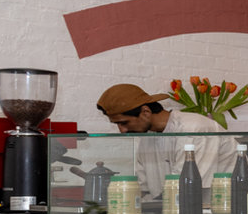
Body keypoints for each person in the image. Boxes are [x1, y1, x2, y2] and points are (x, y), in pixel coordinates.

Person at [96, 83, 237, 202]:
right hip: (177, 212)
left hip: (224, 209)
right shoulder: (145, 138)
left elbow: (188, 185)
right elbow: (142, 188)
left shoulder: (194, 128)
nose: (122, 130)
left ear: (145, 112)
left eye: (124, 123)